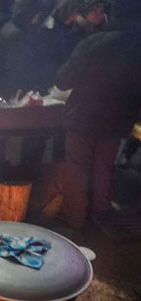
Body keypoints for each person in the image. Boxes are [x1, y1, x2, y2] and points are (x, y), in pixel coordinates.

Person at [55, 0, 141, 229]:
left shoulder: (95, 42)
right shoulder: (137, 46)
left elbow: (63, 79)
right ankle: (100, 216)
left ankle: (74, 218)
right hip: (119, 118)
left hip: (84, 114)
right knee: (104, 168)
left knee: (78, 167)